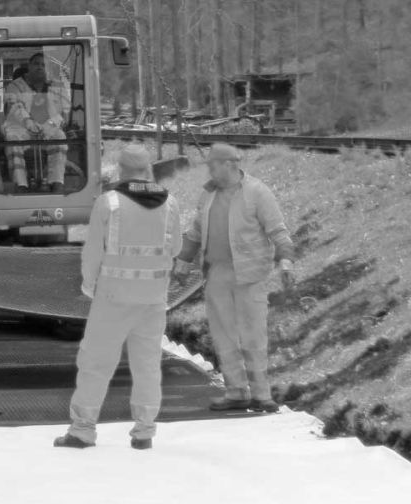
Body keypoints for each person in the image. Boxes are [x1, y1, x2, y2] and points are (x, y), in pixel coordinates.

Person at [54, 144, 182, 450]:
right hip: (153, 300)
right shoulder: (171, 204)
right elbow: (175, 248)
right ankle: (144, 432)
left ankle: (83, 430)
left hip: (112, 297)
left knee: (96, 362)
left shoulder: (108, 203)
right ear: (148, 169)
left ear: (121, 170)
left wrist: (89, 287)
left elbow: (93, 254)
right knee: (148, 365)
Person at [175, 143, 296, 413]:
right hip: (217, 273)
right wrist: (183, 261)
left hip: (250, 276)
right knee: (223, 336)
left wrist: (285, 260)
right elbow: (196, 232)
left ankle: (262, 395)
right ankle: (236, 392)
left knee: (253, 335)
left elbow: (278, 230)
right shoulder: (208, 196)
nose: (209, 170)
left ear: (229, 164)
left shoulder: (257, 193)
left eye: (213, 165)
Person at [3, 52, 71, 194]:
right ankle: (20, 184)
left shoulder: (57, 86)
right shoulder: (15, 86)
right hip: (21, 128)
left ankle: (56, 182)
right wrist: (28, 122)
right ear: (29, 66)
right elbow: (15, 107)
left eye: (43, 64)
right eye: (36, 64)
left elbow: (63, 111)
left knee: (60, 137)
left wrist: (49, 125)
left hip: (49, 128)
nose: (40, 67)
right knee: (12, 139)